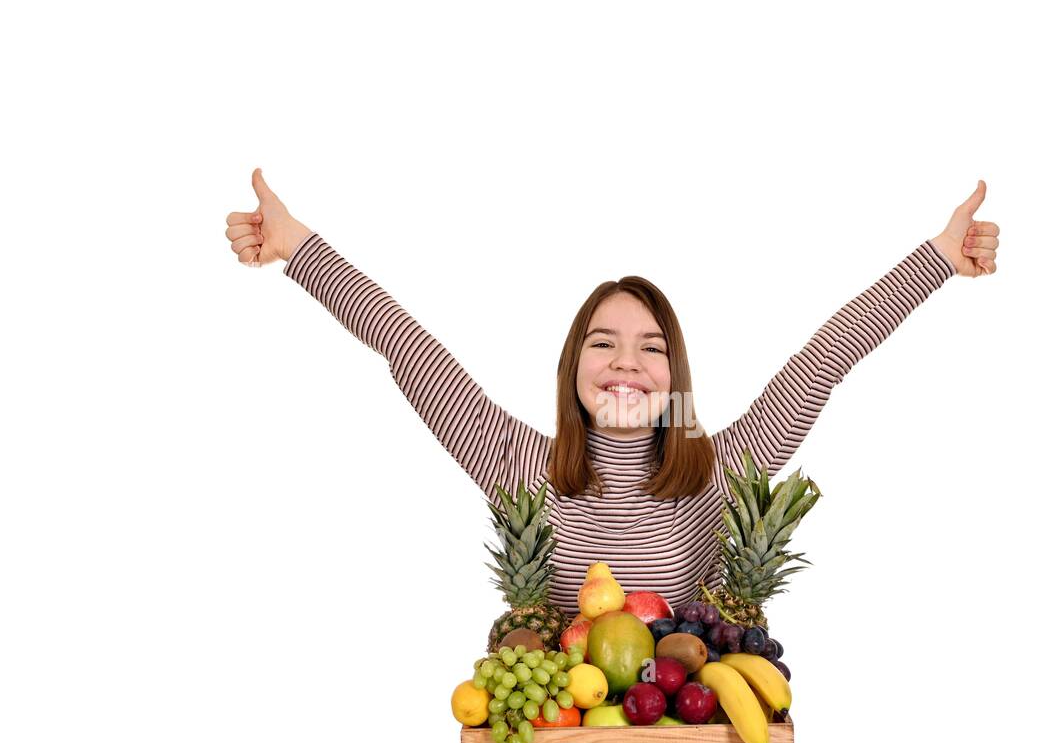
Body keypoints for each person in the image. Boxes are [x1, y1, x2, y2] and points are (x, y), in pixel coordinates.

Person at [224, 168, 1000, 616]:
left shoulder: (721, 470)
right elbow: (406, 346)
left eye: (650, 349)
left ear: (674, 379)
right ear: (573, 371)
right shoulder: (515, 462)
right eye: (603, 345)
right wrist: (298, 248)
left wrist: (938, 257)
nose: (626, 365)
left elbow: (825, 357)